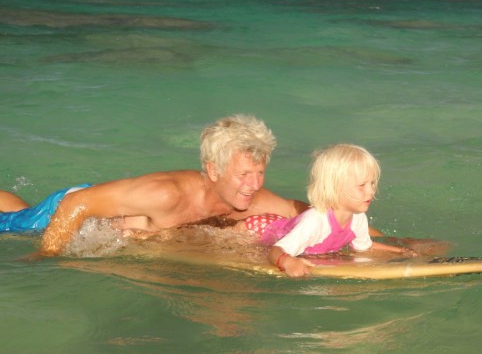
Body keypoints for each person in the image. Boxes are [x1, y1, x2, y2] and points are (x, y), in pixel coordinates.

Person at [0, 114, 308, 256]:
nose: (253, 184)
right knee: (14, 225)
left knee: (21, 211)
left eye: (260, 172)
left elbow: (308, 212)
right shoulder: (168, 193)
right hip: (74, 207)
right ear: (213, 170)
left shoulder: (253, 197)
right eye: (244, 175)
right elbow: (73, 206)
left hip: (105, 204)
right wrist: (46, 258)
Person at [236, 144, 416, 278]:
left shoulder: (358, 217)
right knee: (218, 239)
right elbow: (275, 251)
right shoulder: (316, 222)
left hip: (287, 228)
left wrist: (399, 252)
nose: (371, 191)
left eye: (372, 183)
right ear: (335, 188)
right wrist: (288, 262)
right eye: (362, 185)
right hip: (257, 230)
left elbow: (364, 247)